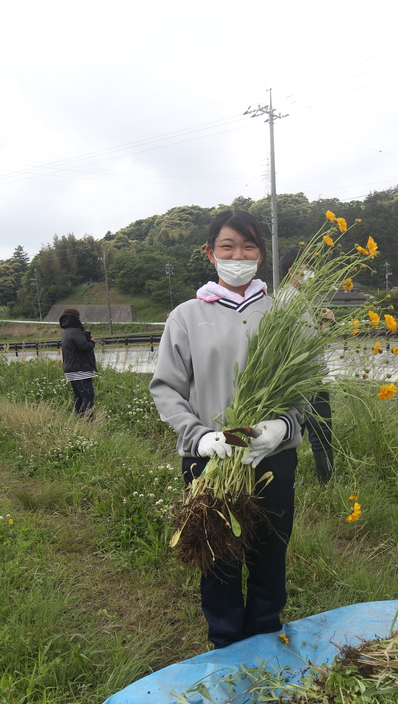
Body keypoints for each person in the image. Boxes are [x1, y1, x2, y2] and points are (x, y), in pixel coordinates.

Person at [150, 211, 303, 649]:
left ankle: (265, 633)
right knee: (218, 557)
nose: (239, 256)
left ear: (261, 253)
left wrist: (283, 427)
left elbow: (309, 387)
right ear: (210, 253)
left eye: (249, 247)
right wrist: (199, 436)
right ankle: (225, 642)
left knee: (269, 553)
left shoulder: (285, 314)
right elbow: (166, 388)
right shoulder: (186, 316)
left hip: (271, 457)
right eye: (228, 247)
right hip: (210, 458)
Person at [278, 246, 334, 485]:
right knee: (321, 435)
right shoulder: (293, 301)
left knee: (293, 432)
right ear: (292, 271)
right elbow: (308, 347)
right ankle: (327, 486)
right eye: (308, 268)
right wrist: (326, 325)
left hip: (298, 379)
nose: (313, 273)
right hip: (309, 379)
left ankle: (283, 479)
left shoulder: (286, 298)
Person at [59, 307, 97, 416]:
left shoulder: (67, 331)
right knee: (88, 395)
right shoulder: (75, 331)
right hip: (80, 370)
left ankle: (79, 418)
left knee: (79, 396)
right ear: (76, 318)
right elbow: (84, 346)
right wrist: (91, 341)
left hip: (70, 369)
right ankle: (88, 420)